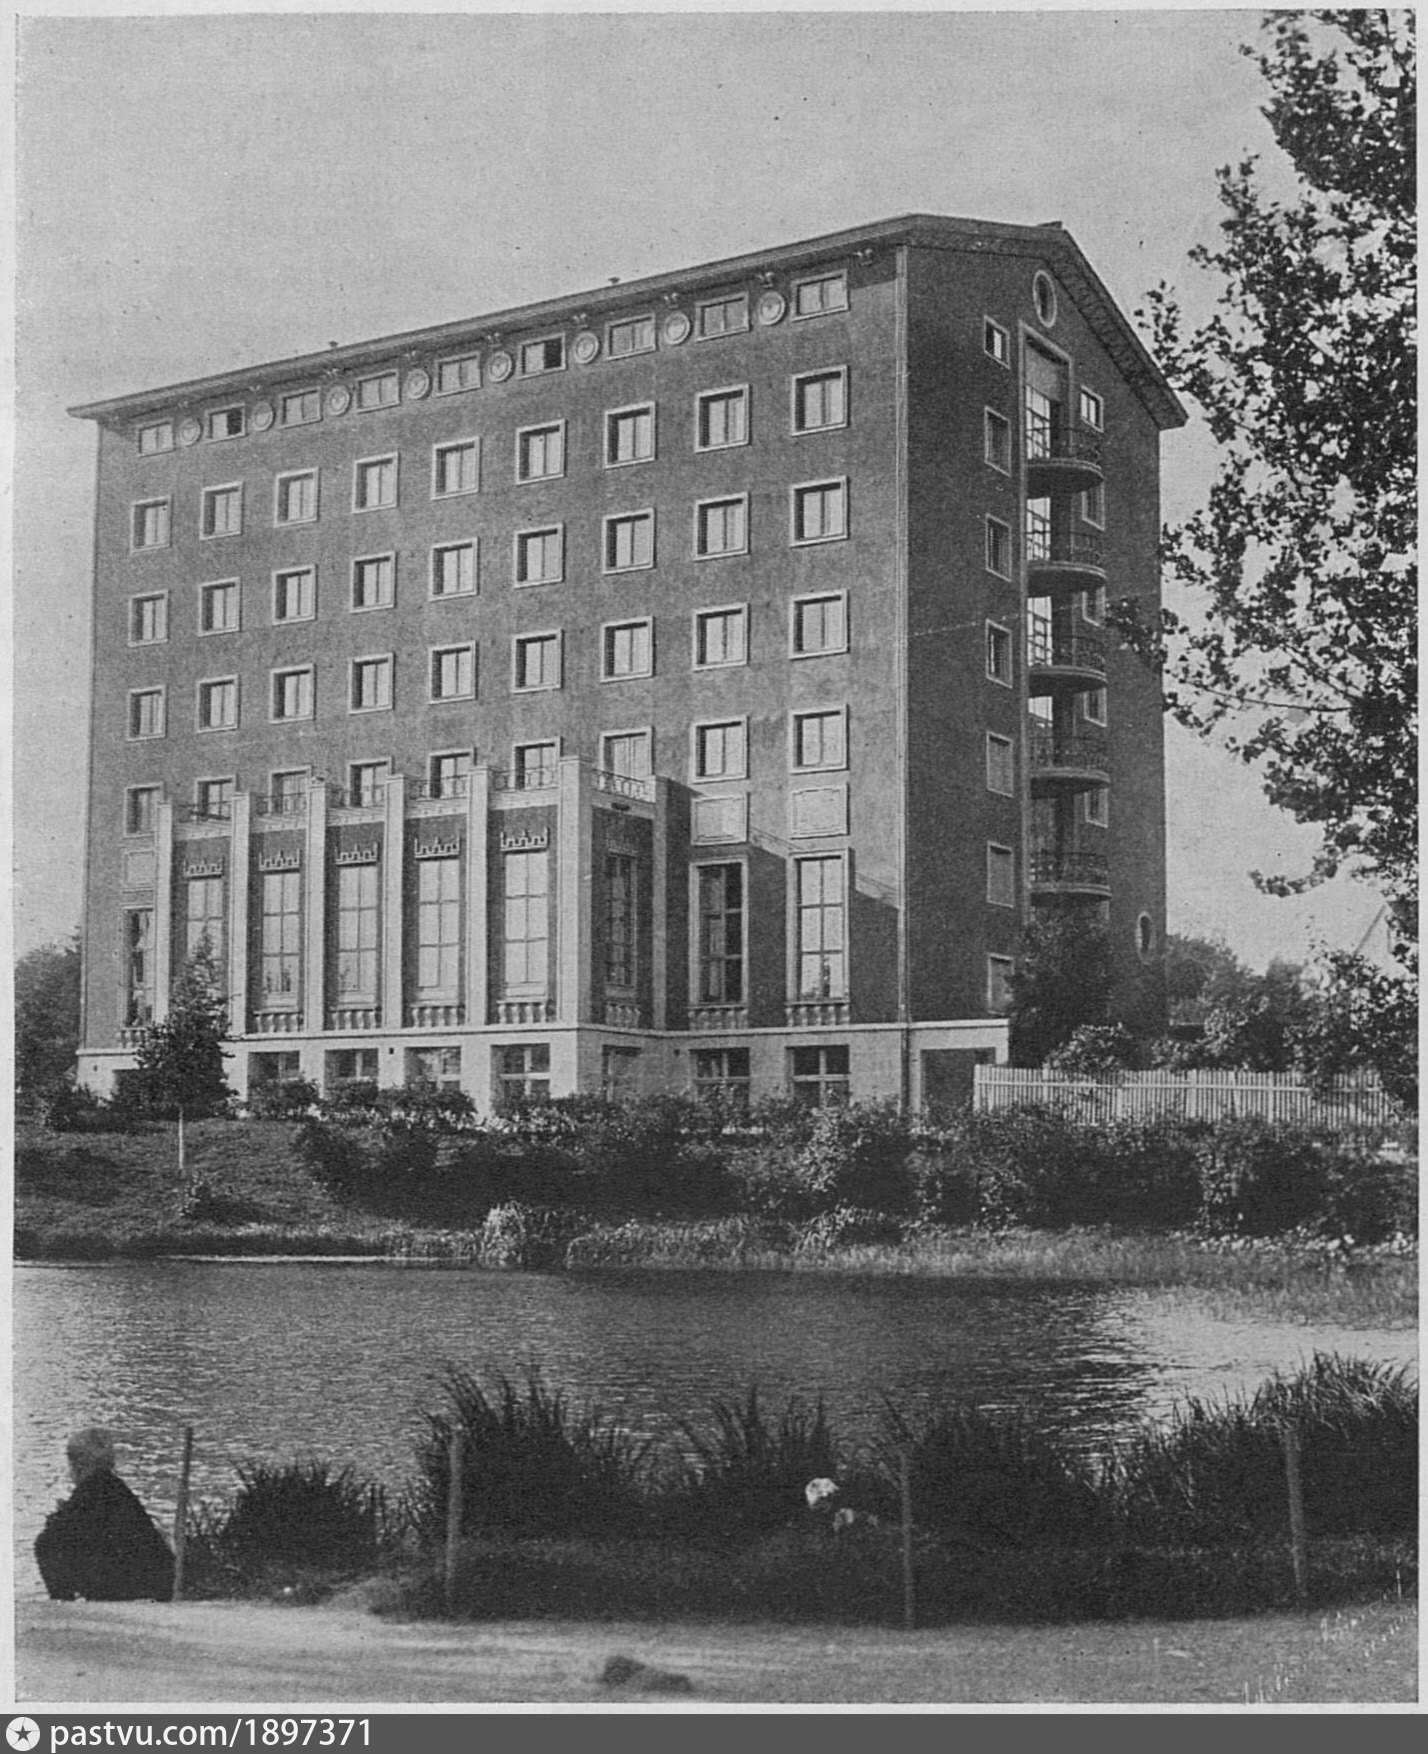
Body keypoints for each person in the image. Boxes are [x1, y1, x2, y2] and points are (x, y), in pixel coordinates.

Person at [35, 1427, 175, 1602]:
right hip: (155, 1584)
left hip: (120, 1588)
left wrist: (54, 1519)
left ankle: (63, 1604)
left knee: (45, 1543)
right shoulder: (119, 1490)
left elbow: (55, 1538)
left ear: (77, 1465)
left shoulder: (90, 1491)